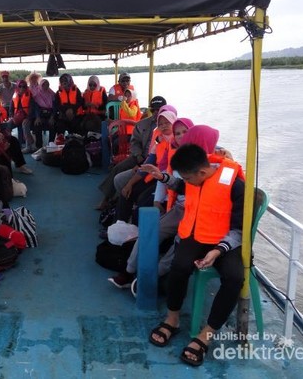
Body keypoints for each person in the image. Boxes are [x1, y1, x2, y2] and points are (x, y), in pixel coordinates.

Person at [148, 143, 245, 367]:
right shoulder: (195, 177)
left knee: (234, 278)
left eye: (190, 178)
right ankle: (172, 319)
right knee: (179, 266)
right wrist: (162, 177)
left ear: (202, 172)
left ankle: (206, 334)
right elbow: (183, 185)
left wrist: (218, 250)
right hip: (196, 235)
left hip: (226, 242)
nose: (187, 182)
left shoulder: (235, 186)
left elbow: (240, 230)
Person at [108, 118, 194, 289]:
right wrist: (158, 195)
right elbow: (175, 183)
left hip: (197, 214)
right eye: (177, 133)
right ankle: (129, 271)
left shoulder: (207, 158)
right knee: (150, 231)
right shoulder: (172, 152)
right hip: (179, 207)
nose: (180, 136)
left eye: (185, 132)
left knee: (178, 246)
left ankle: (148, 279)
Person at [96, 96, 168, 210]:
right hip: (140, 157)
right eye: (153, 110)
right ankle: (106, 198)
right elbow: (134, 142)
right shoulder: (142, 124)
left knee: (128, 178)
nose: (155, 112)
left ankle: (119, 200)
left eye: (159, 109)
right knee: (118, 168)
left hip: (155, 162)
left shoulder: (170, 126)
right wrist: (138, 155)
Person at [10, 79, 36, 153]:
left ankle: (28, 147)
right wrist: (12, 117)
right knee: (8, 124)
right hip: (17, 117)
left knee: (25, 125)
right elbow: (11, 108)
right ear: (17, 87)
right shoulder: (15, 95)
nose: (22, 88)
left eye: (24, 86)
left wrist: (28, 118)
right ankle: (10, 145)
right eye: (20, 86)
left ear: (26, 87)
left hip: (28, 117)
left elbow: (32, 108)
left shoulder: (30, 96)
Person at [31, 78, 56, 150]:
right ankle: (39, 146)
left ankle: (51, 144)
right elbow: (35, 108)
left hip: (50, 114)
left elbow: (55, 107)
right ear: (41, 85)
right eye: (44, 85)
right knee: (37, 125)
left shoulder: (52, 94)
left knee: (53, 124)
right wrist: (37, 117)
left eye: (47, 85)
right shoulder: (37, 95)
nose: (46, 86)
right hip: (40, 114)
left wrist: (52, 117)